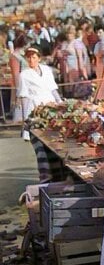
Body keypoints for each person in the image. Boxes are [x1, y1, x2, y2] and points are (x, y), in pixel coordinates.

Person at [16, 45, 64, 181]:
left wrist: (61, 104)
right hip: (35, 112)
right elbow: (24, 96)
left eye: (34, 57)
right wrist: (25, 120)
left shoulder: (47, 70)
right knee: (40, 148)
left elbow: (53, 89)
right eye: (29, 58)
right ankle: (45, 178)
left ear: (39, 58)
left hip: (51, 110)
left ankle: (59, 177)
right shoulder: (24, 75)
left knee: (54, 145)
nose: (31, 60)